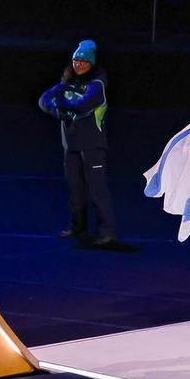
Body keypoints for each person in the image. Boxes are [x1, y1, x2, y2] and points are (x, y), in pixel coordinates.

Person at [37, 40, 123, 249]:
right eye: (76, 60)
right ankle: (78, 228)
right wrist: (57, 110)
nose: (79, 64)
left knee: (97, 190)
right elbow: (44, 99)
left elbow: (83, 105)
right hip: (71, 145)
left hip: (92, 145)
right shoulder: (67, 81)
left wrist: (63, 104)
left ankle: (108, 233)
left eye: (83, 61)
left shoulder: (97, 84)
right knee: (75, 190)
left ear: (91, 63)